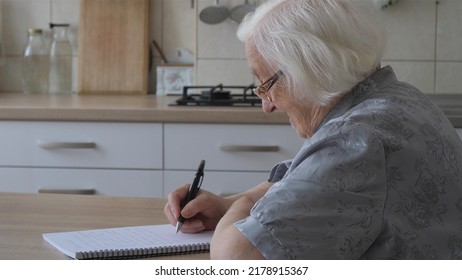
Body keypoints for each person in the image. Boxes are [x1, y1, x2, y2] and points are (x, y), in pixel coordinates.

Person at [164, 0, 462, 259]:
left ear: (313, 69)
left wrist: (242, 204)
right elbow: (305, 176)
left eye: (266, 85)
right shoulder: (397, 98)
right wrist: (228, 205)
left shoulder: (355, 141)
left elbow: (238, 258)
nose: (267, 106)